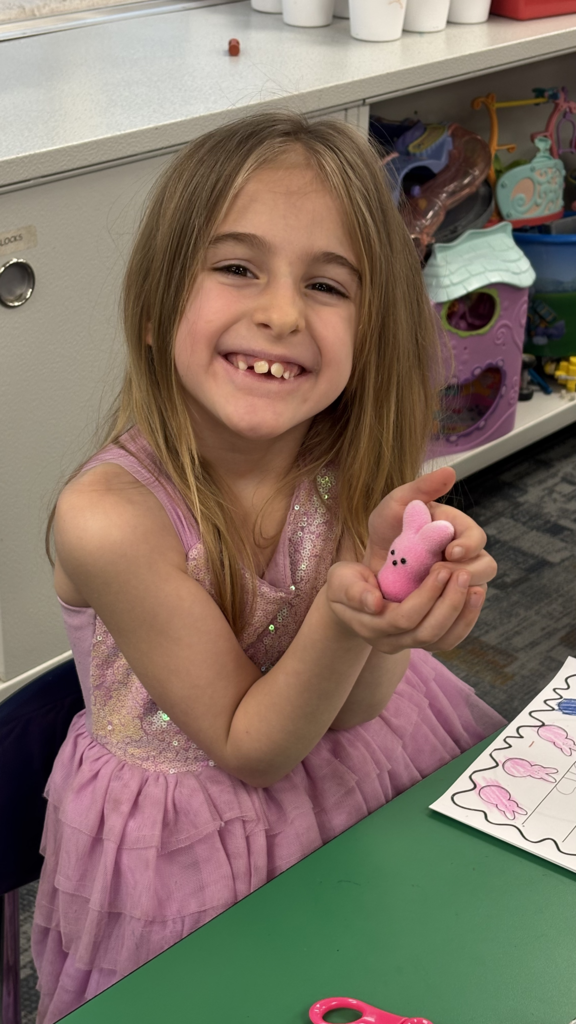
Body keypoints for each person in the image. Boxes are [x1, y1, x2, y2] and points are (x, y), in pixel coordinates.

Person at [33, 111, 505, 1023]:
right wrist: (348, 615)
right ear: (162, 291)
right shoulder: (110, 521)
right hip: (178, 846)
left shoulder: (338, 462)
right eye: (237, 266)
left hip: (345, 771)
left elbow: (360, 706)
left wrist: (389, 600)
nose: (282, 313)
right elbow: (252, 748)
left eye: (328, 285)